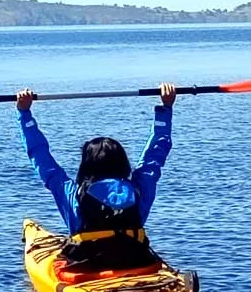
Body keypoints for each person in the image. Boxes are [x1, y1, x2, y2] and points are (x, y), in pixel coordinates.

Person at [16, 84, 177, 273]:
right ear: (123, 162)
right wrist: (166, 108)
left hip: (87, 267)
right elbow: (155, 154)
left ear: (86, 165)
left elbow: (40, 156)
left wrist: (24, 114)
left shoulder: (72, 194)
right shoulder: (139, 188)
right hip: (136, 262)